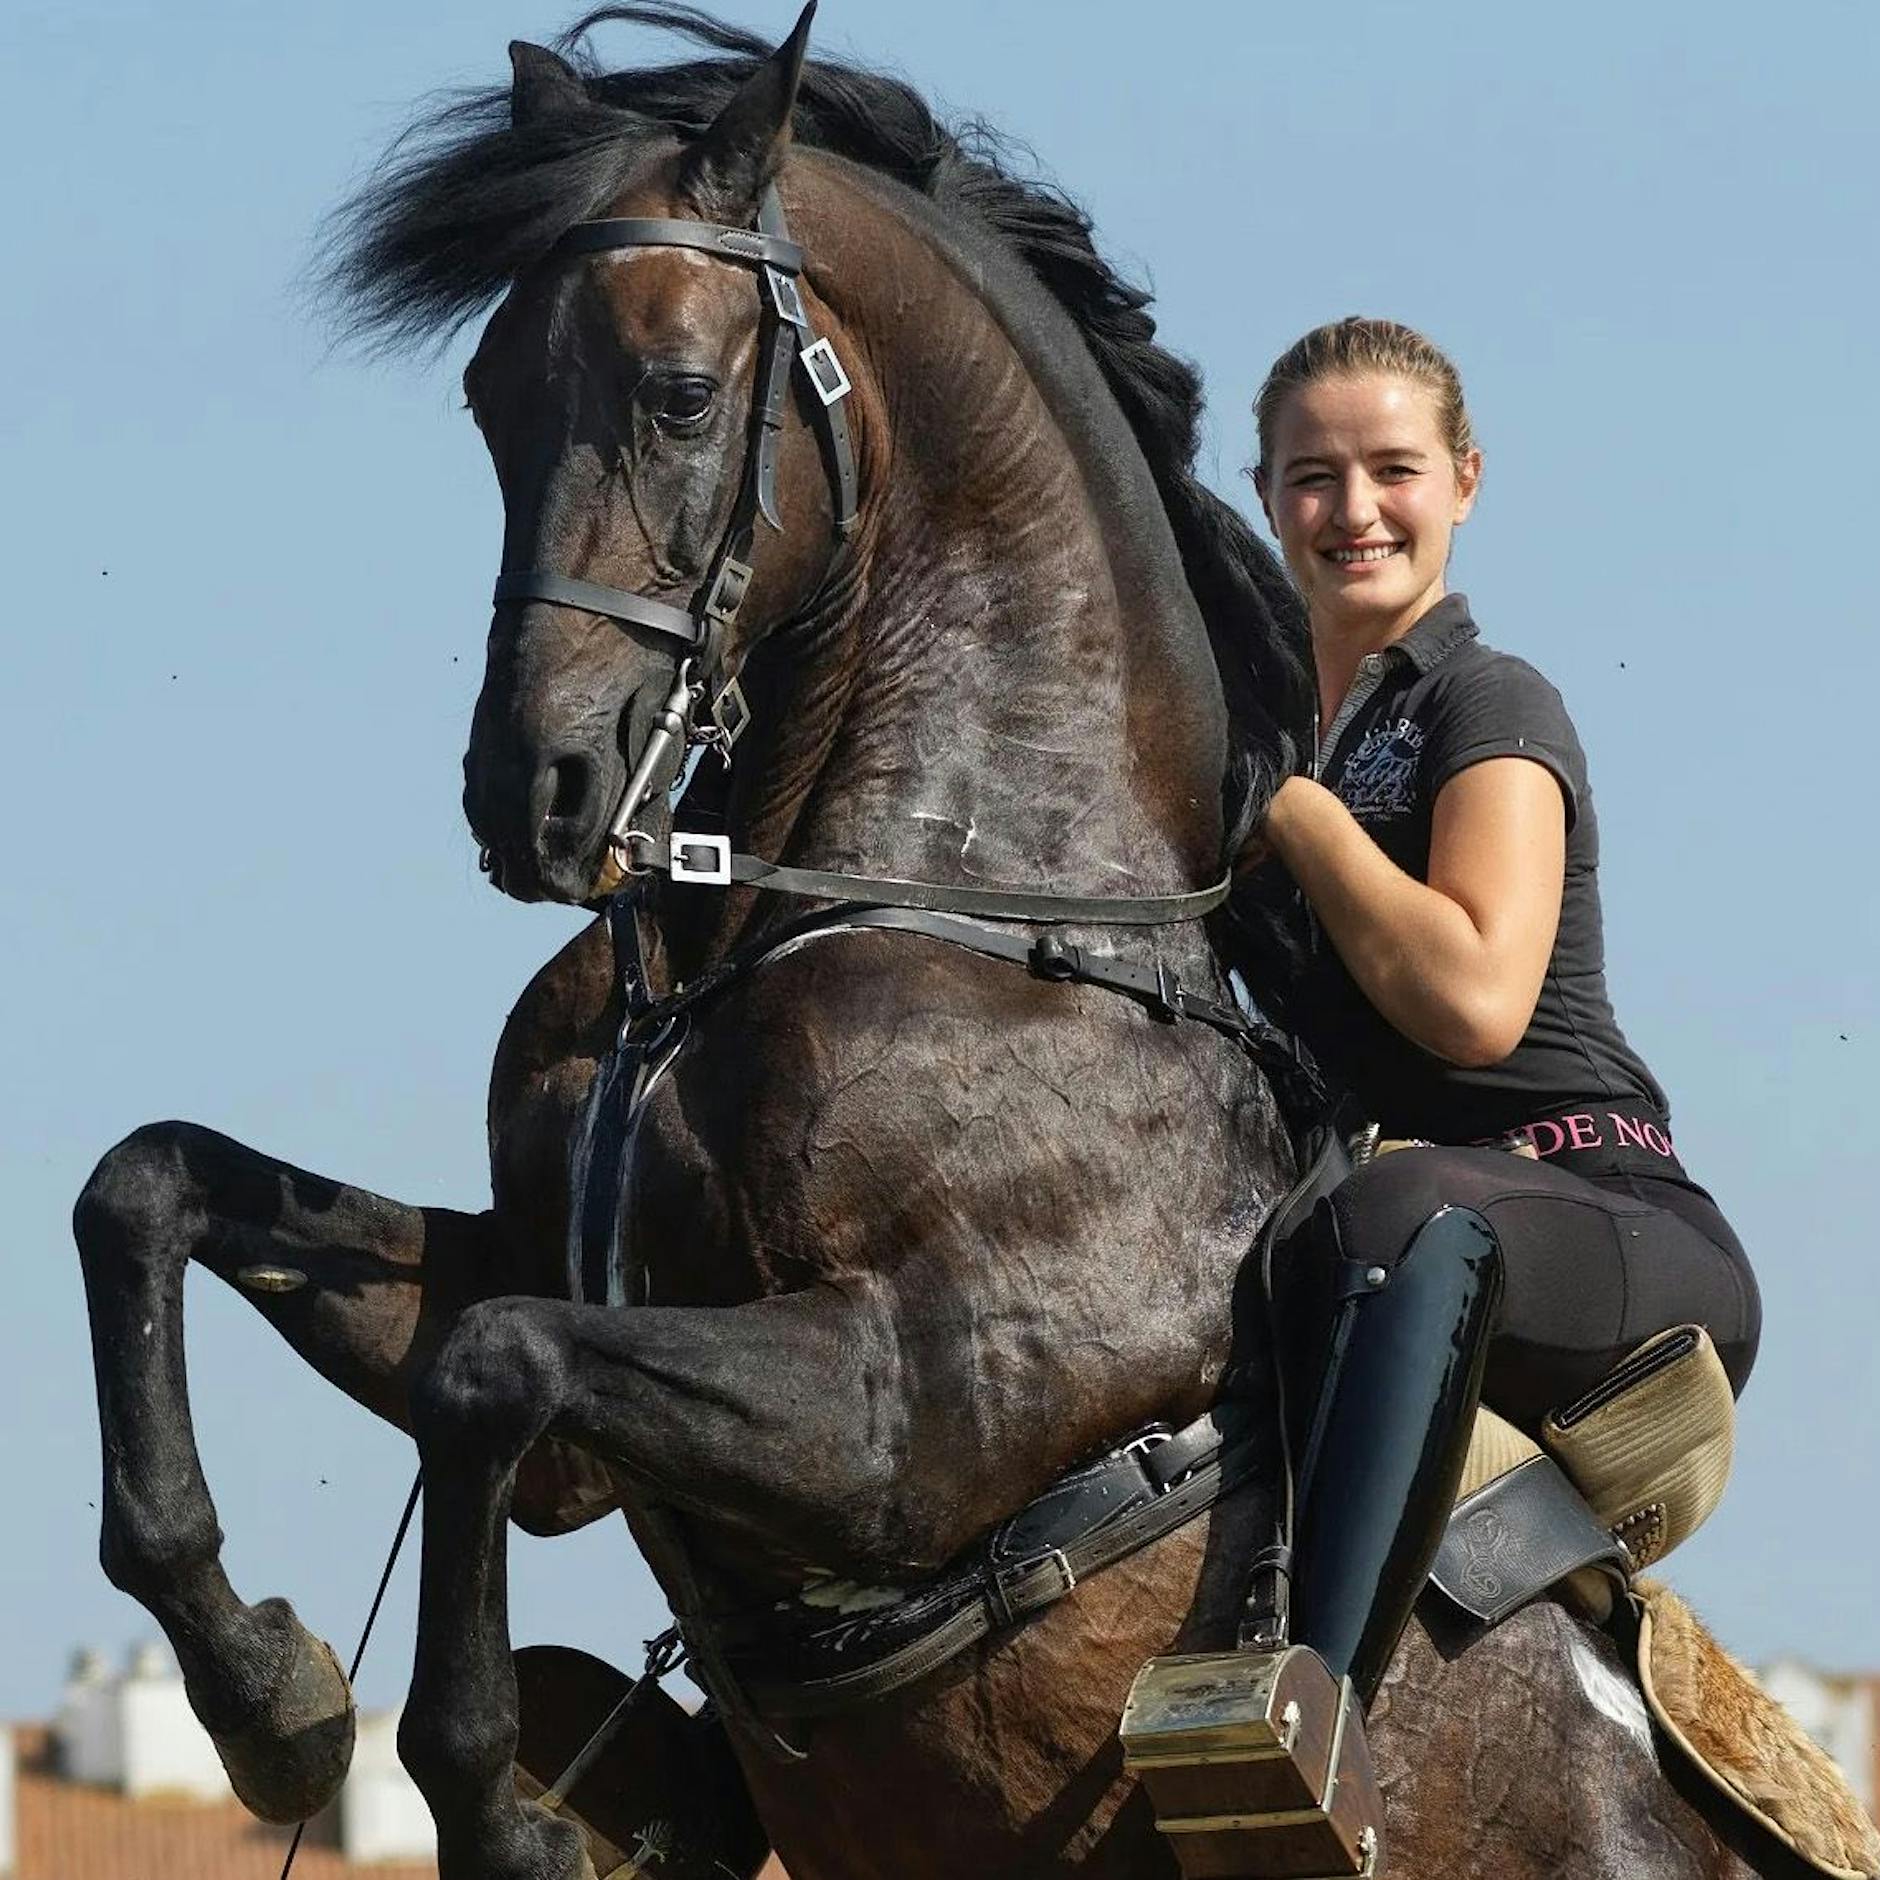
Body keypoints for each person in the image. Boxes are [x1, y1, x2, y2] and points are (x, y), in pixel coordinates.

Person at [1238, 317, 1761, 1713]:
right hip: (1390, 1236)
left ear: (1464, 481)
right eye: (1311, 477)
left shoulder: (1489, 700)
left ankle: (1317, 1715)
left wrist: (1290, 809)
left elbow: (1473, 1002)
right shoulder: (1267, 732)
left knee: (1385, 1215)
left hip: (1611, 1224)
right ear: (1262, 496)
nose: (1354, 511)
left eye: (1392, 468)